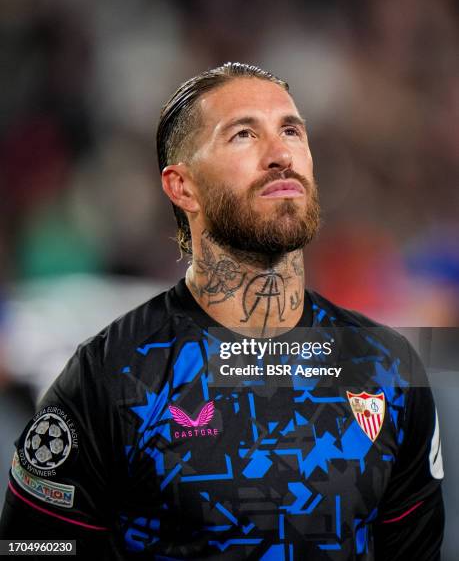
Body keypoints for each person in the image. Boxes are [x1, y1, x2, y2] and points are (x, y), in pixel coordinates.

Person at [0, 63, 444, 559]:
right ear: (181, 187)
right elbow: (30, 546)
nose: (281, 155)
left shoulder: (388, 368)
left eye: (292, 131)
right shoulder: (111, 375)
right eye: (243, 135)